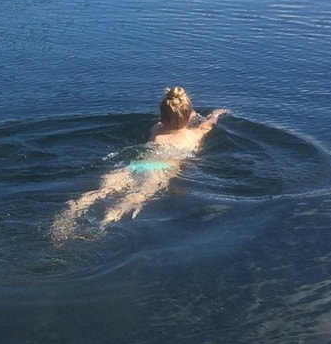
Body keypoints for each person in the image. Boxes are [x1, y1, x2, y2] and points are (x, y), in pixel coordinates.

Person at [51, 87, 227, 240]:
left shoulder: (156, 129)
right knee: (134, 198)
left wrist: (177, 107)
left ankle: (71, 212)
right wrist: (218, 113)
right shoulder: (194, 134)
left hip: (136, 163)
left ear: (162, 116)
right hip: (161, 169)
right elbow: (209, 123)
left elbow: (171, 116)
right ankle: (103, 224)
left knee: (102, 191)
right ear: (189, 116)